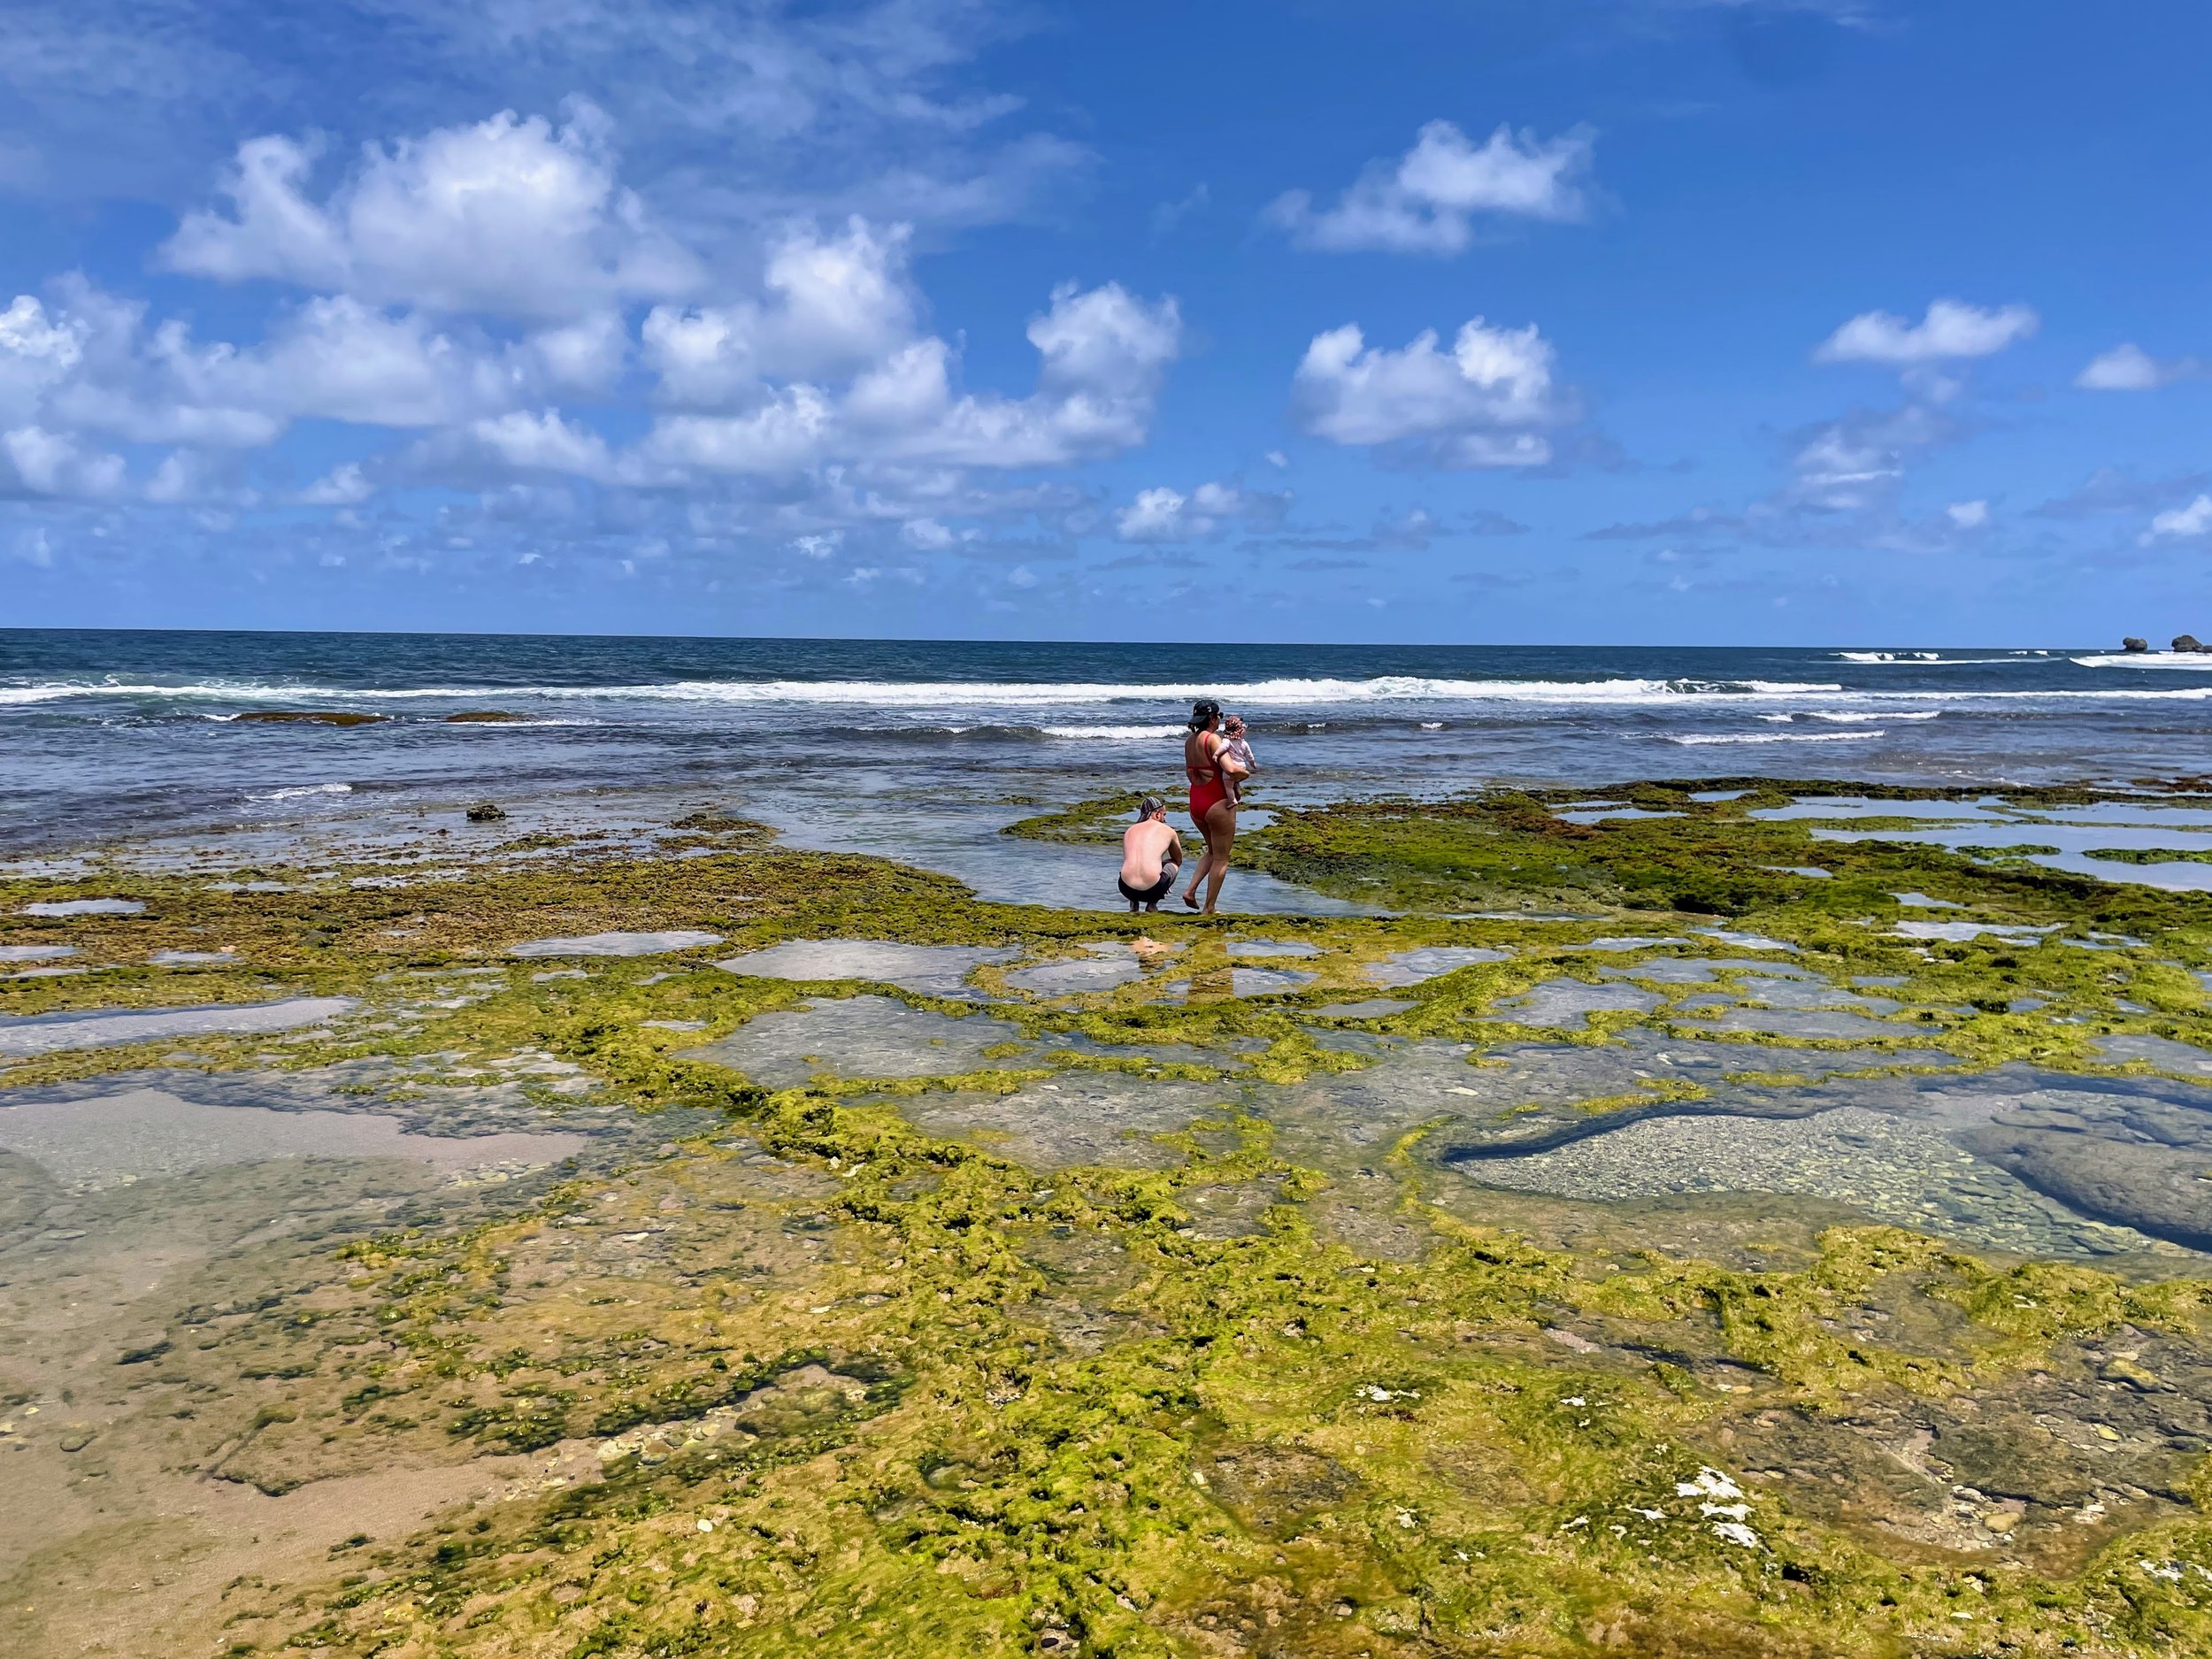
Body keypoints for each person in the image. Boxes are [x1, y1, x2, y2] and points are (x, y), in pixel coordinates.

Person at [1179, 697, 1248, 913]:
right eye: (1219, 716)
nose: (1219, 720)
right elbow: (1230, 770)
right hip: (1217, 802)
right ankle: (1209, 907)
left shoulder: (1189, 742)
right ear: (1211, 718)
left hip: (1196, 802)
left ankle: (1190, 890)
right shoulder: (1213, 739)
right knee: (1221, 857)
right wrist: (1245, 774)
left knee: (1211, 851)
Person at [1118, 795, 1184, 912]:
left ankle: (1134, 905)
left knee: (1133, 862)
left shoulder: (1130, 830)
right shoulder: (1168, 830)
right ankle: (1152, 904)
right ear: (1157, 814)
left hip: (1125, 888)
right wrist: (1165, 879)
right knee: (1173, 864)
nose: (1164, 819)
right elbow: (1178, 860)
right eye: (1164, 815)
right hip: (1153, 889)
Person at [1217, 714, 1256, 805]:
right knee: (1236, 781)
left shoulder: (1227, 741)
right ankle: (1238, 792)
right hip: (1242, 767)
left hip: (1232, 767)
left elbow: (1222, 748)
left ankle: (1233, 801)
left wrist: (1216, 755)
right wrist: (1253, 764)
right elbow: (1250, 756)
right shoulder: (1244, 743)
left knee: (1228, 786)